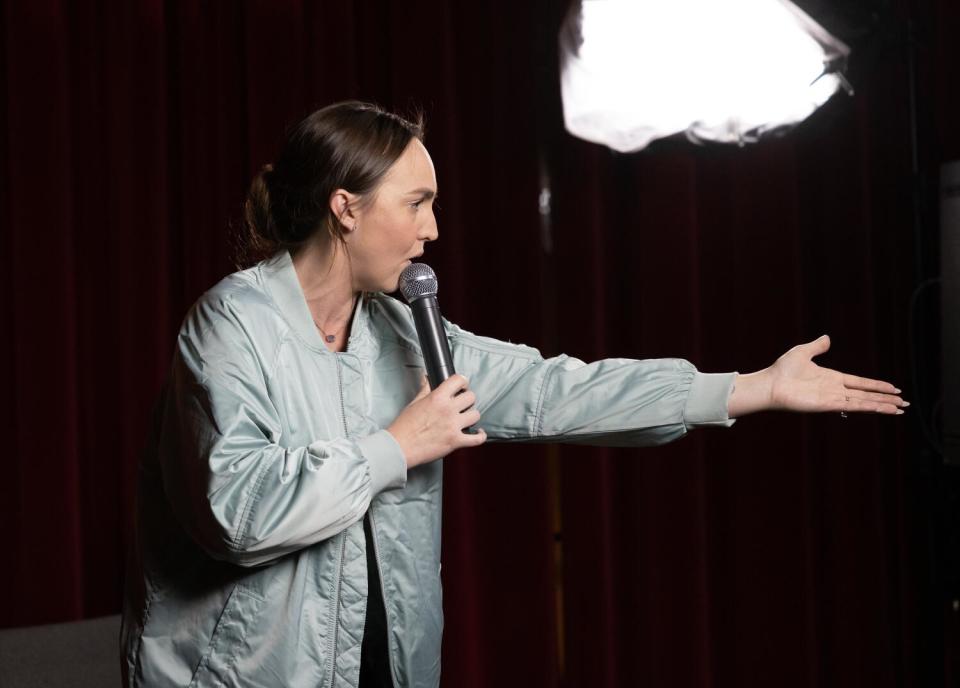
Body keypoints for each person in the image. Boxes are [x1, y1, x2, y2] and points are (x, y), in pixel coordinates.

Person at [120, 101, 906, 688]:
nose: (432, 229)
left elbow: (551, 389)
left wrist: (748, 389)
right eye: (416, 203)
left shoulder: (404, 330)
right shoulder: (233, 326)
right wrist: (399, 446)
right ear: (346, 207)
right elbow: (237, 513)